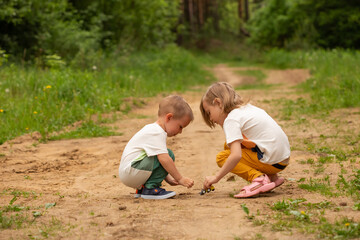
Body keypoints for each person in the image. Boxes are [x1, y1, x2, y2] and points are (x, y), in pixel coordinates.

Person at [200, 82, 290, 198]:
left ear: (218, 103)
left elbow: (236, 156)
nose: (211, 119)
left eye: (209, 113)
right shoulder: (247, 109)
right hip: (282, 159)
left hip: (272, 161)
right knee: (229, 146)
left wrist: (216, 177)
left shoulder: (231, 119)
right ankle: (271, 176)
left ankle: (259, 180)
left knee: (223, 157)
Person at [119, 95, 194, 199]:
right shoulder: (156, 132)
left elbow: (157, 163)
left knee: (164, 154)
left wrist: (168, 178)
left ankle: (144, 188)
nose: (180, 132)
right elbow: (163, 159)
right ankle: (150, 189)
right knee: (168, 155)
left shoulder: (153, 129)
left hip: (130, 173)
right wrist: (180, 178)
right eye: (180, 126)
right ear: (169, 117)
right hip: (131, 172)